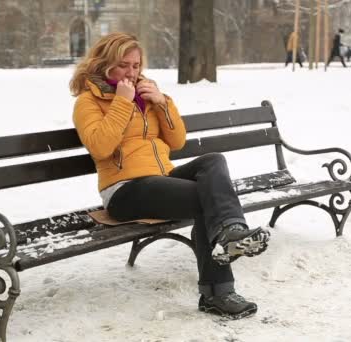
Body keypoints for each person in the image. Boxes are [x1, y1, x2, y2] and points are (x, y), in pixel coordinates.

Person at [69, 33, 270, 320]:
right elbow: (101, 147)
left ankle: (230, 232)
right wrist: (122, 104)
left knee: (213, 162)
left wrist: (162, 103)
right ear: (104, 63)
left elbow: (176, 141)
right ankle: (219, 291)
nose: (132, 72)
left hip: (162, 178)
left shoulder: (147, 93)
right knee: (206, 198)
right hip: (125, 190)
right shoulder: (88, 101)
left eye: (136, 65)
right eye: (124, 65)